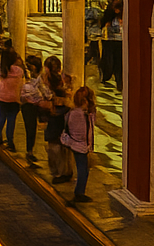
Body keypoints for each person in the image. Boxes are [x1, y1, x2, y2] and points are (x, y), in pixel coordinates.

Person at [39, 56, 75, 185]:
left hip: (56, 120)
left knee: (55, 149)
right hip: (61, 120)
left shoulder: (51, 85)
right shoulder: (63, 82)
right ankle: (64, 171)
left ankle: (60, 173)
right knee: (61, 148)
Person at [62, 86, 97, 204]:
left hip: (75, 144)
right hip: (80, 146)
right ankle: (79, 192)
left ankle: (80, 191)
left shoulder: (74, 112)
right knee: (83, 170)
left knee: (83, 168)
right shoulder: (81, 115)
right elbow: (83, 133)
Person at [0, 46, 25, 150]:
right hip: (14, 99)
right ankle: (10, 141)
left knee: (1, 117)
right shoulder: (19, 71)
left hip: (2, 97)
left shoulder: (2, 70)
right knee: (11, 120)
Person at [18, 52, 45, 162]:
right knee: (31, 128)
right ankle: (30, 151)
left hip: (38, 104)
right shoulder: (25, 77)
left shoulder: (41, 78)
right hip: (29, 105)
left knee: (34, 128)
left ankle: (31, 150)